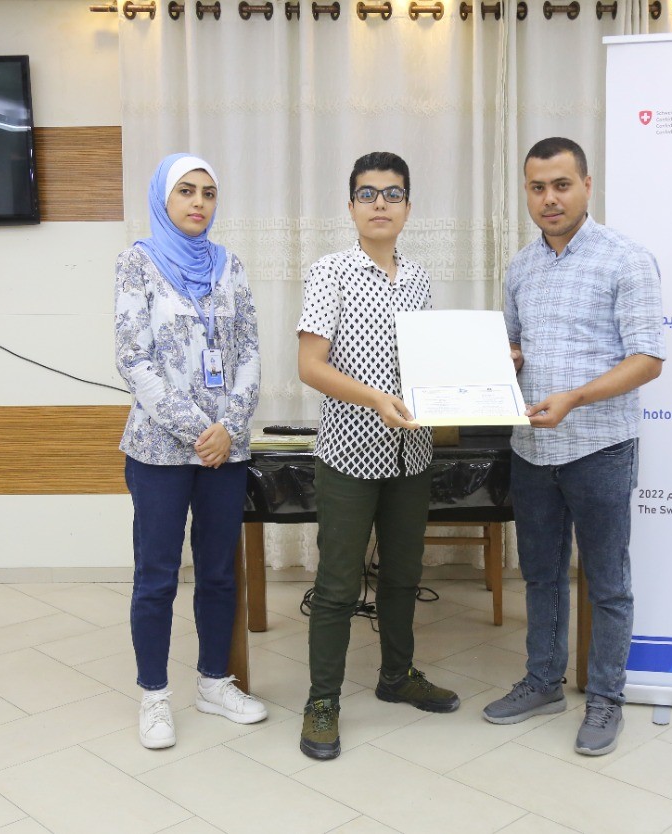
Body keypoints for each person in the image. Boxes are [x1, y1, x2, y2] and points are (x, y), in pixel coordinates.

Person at [483, 137, 665, 756]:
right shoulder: (519, 267)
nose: (550, 199)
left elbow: (647, 359)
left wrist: (575, 398)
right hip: (532, 450)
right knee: (541, 576)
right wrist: (502, 360)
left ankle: (607, 697)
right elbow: (511, 347)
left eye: (562, 185)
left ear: (587, 185)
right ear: (527, 193)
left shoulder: (627, 259)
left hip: (601, 447)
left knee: (607, 581)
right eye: (537, 187)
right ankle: (543, 682)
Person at [295, 151, 460, 761]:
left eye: (392, 193)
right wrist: (374, 399)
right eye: (368, 194)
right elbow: (310, 366)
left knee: (403, 576)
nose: (380, 203)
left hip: (410, 455)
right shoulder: (330, 273)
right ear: (351, 207)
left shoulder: (418, 279)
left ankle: (397, 676)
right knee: (337, 585)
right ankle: (322, 702)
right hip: (348, 453)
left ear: (408, 207)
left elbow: (430, 362)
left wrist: (480, 371)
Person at [115, 153, 268, 750]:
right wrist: (199, 429)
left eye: (208, 192)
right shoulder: (137, 262)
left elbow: (250, 351)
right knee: (157, 575)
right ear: (163, 198)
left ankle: (213, 681)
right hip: (159, 450)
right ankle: (154, 694)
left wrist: (228, 426)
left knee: (219, 571)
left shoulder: (231, 266)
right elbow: (133, 358)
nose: (198, 202)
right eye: (185, 191)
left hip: (225, 452)